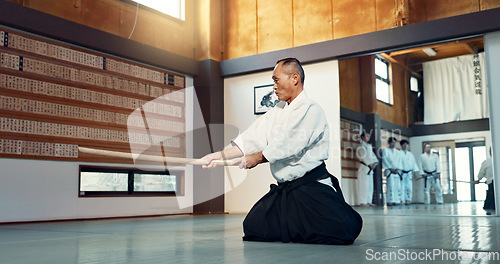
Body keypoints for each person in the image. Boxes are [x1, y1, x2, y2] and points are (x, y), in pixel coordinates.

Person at [202, 58, 362, 245]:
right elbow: (250, 137)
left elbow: (290, 145)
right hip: (286, 190)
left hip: (311, 187)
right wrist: (216, 156)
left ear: (295, 78)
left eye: (276, 80)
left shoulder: (312, 109)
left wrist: (256, 158)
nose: (274, 86)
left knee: (342, 231)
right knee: (253, 227)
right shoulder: (277, 110)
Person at [356, 131, 378, 207]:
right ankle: (362, 202)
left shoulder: (369, 146)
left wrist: (374, 163)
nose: (368, 138)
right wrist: (370, 164)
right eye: (366, 136)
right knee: (363, 186)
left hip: (370, 169)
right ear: (362, 137)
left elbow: (374, 157)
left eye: (368, 136)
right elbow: (363, 157)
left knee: (370, 186)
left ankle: (369, 201)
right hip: (364, 168)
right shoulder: (360, 146)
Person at [472, 148, 495, 215]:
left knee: (491, 202)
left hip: (491, 183)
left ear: (490, 152)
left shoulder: (487, 162)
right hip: (492, 182)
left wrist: (479, 179)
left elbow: (481, 173)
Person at [382, 137, 402, 206]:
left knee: (397, 187)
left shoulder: (398, 152)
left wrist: (398, 169)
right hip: (390, 171)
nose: (393, 144)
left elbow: (400, 161)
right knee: (390, 186)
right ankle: (390, 201)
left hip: (396, 172)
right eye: (392, 142)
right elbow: (385, 160)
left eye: (394, 143)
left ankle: (396, 200)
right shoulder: (385, 151)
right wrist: (391, 169)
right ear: (389, 143)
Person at [399, 140, 419, 205]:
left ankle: (408, 199)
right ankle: (401, 200)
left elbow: (413, 164)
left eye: (406, 144)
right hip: (402, 172)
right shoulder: (399, 153)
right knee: (401, 187)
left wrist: (415, 173)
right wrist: (399, 172)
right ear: (401, 145)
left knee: (409, 187)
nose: (405, 146)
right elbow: (398, 163)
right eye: (404, 144)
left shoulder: (410, 154)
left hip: (409, 173)